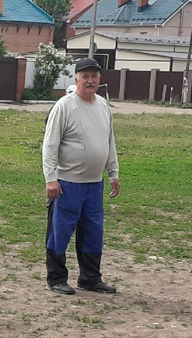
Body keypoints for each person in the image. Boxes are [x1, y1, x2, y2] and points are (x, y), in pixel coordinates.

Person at [42, 57, 121, 295]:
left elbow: (109, 142)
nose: (90, 81)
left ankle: (90, 278)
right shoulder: (64, 106)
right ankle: (56, 279)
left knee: (93, 232)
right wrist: (51, 178)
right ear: (76, 79)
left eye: (94, 76)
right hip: (67, 184)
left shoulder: (103, 106)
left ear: (99, 79)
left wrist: (113, 173)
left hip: (93, 185)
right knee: (60, 231)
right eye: (85, 76)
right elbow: (49, 145)